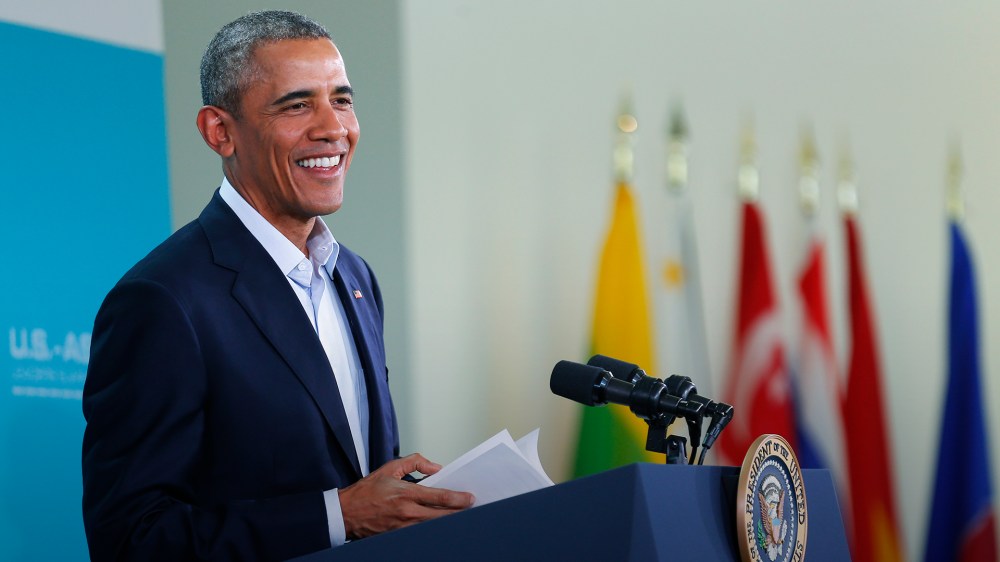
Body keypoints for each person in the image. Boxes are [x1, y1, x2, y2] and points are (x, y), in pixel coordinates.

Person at [81, 10, 473, 562]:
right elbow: (132, 538)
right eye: (297, 104)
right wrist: (342, 515)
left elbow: (351, 479)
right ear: (220, 131)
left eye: (341, 99)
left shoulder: (356, 278)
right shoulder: (163, 299)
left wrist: (403, 506)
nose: (332, 127)